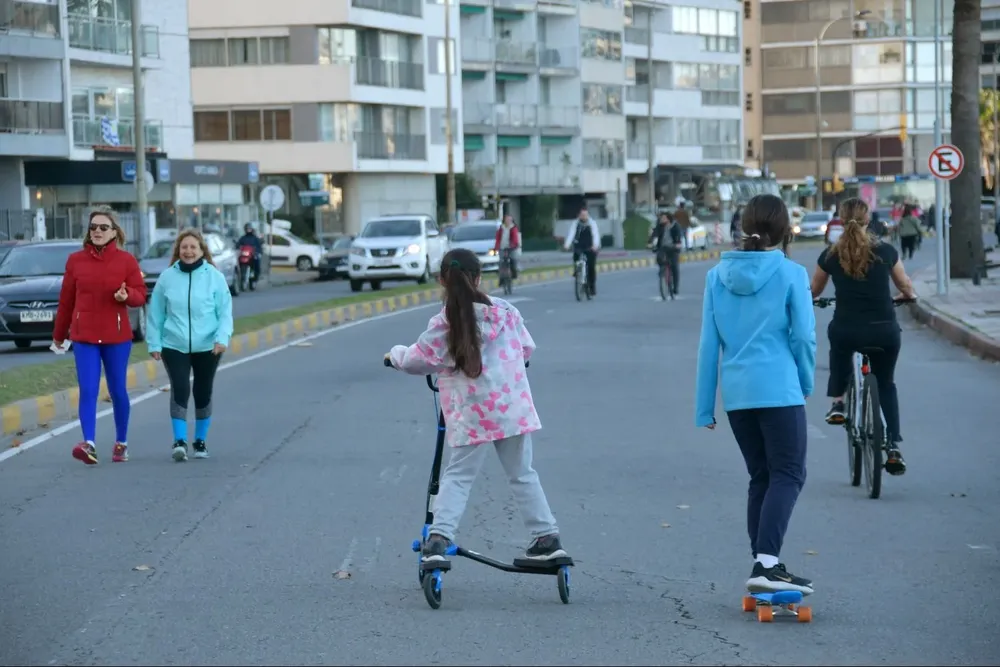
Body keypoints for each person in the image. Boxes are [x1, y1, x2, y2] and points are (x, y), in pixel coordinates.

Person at [384, 248, 569, 563]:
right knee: (523, 473)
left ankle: (440, 538)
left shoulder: (446, 321)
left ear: (442, 280)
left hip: (472, 412)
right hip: (512, 409)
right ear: (479, 277)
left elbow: (421, 358)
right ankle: (547, 538)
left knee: (458, 475)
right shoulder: (507, 312)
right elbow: (526, 348)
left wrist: (395, 355)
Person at [694, 193, 816, 595]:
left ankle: (764, 562)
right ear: (784, 230)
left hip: (738, 395)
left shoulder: (717, 276)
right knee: (789, 473)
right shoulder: (791, 273)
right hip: (780, 390)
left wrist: (704, 407)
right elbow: (803, 337)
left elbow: (708, 346)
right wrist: (806, 382)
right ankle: (766, 564)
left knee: (761, 477)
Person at [810, 197, 917, 476]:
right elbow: (904, 284)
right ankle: (892, 445)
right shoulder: (886, 251)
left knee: (839, 348)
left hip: (847, 328)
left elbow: (814, 290)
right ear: (868, 219)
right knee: (886, 385)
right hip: (884, 330)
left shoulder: (831, 255)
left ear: (840, 219)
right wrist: (908, 296)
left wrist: (807, 300)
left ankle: (838, 403)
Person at [53, 207, 147, 465]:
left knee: (118, 390)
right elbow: (66, 301)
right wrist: (59, 335)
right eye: (93, 227)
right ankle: (89, 444)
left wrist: (126, 296)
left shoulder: (126, 261)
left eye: (103, 227)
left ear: (114, 232)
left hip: (117, 337)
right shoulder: (75, 261)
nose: (97, 231)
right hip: (84, 337)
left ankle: (121, 442)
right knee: (88, 389)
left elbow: (140, 295)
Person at [146, 229, 234, 462]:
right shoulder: (167, 277)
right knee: (181, 388)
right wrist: (154, 343)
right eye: (184, 247)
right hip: (174, 344)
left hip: (208, 346)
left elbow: (225, 312)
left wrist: (221, 338)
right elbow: (156, 314)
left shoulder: (214, 276)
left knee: (203, 391)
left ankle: (200, 441)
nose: (188, 251)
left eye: (193, 247)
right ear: (178, 250)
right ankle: (180, 441)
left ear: (201, 250)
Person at [562, 206, 600, 296]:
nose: (584, 217)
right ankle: (577, 271)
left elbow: (595, 235)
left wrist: (595, 246)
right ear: (579, 215)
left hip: (590, 246)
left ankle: (592, 287)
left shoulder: (592, 223)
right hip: (579, 245)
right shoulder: (575, 223)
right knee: (576, 256)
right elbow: (571, 234)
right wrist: (567, 245)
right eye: (582, 215)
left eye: (585, 215)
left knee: (591, 267)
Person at [646, 211, 682, 295]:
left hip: (673, 248)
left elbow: (678, 236)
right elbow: (654, 234)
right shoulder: (660, 226)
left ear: (668, 219)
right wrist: (650, 243)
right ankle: (662, 271)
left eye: (663, 218)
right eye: (661, 218)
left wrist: (678, 244)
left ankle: (675, 287)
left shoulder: (675, 226)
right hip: (663, 247)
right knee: (659, 258)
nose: (661, 220)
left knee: (674, 267)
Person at [493, 214, 520, 279]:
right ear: (504, 220)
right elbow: (498, 238)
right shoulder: (501, 228)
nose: (508, 221)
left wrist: (513, 245)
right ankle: (501, 278)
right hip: (502, 247)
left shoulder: (513, 228)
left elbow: (515, 238)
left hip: (512, 248)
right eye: (507, 220)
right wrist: (496, 247)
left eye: (509, 220)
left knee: (513, 260)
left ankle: (514, 274)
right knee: (501, 262)